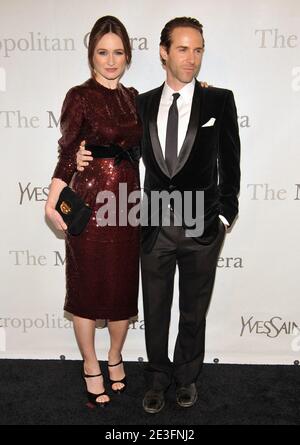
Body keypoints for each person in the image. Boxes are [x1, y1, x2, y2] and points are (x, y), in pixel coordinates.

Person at [77, 16, 240, 414]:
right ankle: (156, 379)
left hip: (202, 225)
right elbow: (114, 145)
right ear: (164, 52)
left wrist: (224, 216)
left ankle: (186, 378)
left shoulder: (219, 100)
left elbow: (231, 163)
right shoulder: (141, 102)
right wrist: (81, 157)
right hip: (152, 226)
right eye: (183, 49)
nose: (192, 58)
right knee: (154, 308)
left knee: (193, 310)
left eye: (198, 49)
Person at [45, 16, 142, 407]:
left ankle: (115, 355)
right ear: (91, 55)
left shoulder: (135, 97)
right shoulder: (79, 96)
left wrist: (199, 92)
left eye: (118, 52)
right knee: (85, 289)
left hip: (127, 203)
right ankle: (90, 362)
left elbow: (170, 113)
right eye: (103, 52)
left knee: (121, 287)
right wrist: (53, 197)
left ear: (128, 56)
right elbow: (68, 150)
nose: (111, 60)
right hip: (90, 203)